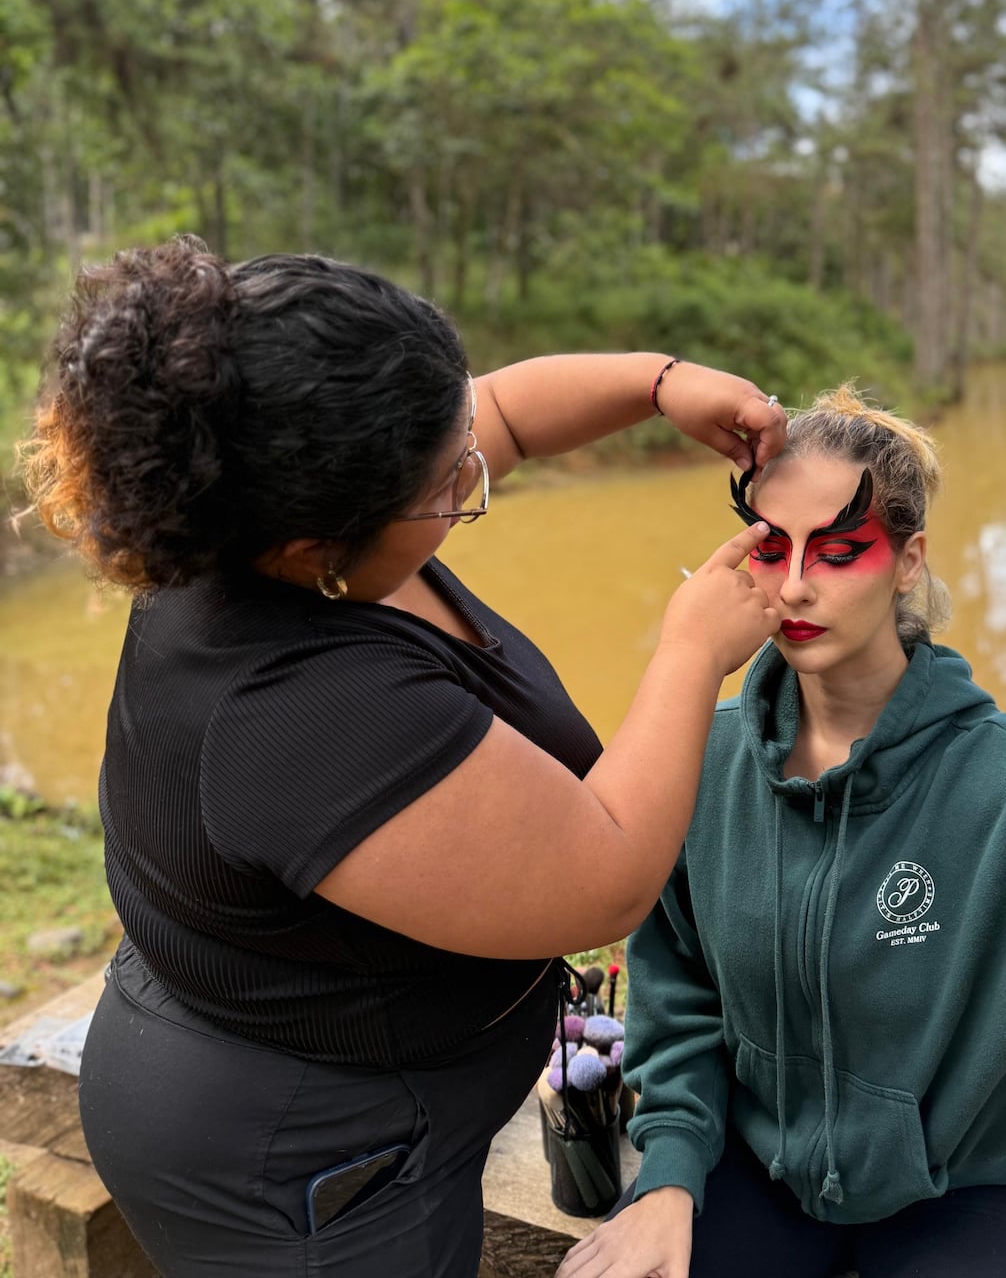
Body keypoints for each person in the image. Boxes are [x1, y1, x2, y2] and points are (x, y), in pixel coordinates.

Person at [15, 234, 786, 1278]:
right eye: (450, 486)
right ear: (314, 549)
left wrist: (662, 384)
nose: (477, 471)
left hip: (257, 1051)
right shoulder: (299, 708)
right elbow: (604, 876)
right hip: (306, 1166)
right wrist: (694, 651)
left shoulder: (238, 505)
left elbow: (499, 413)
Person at [557, 384, 1006, 1278]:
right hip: (756, 1169)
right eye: (770, 546)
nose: (791, 584)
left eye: (839, 548)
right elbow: (680, 999)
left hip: (974, 1192)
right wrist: (667, 1178)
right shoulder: (698, 762)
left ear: (908, 560)